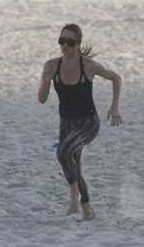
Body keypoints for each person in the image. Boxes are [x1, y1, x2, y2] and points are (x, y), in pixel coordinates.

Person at [38, 24, 122, 221]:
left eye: (70, 42)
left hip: (88, 123)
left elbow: (116, 78)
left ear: (78, 45)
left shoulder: (88, 66)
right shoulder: (51, 66)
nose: (65, 46)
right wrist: (44, 81)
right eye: (62, 41)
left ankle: (74, 196)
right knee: (73, 163)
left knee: (63, 152)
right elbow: (42, 99)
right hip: (66, 123)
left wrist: (115, 106)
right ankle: (87, 209)